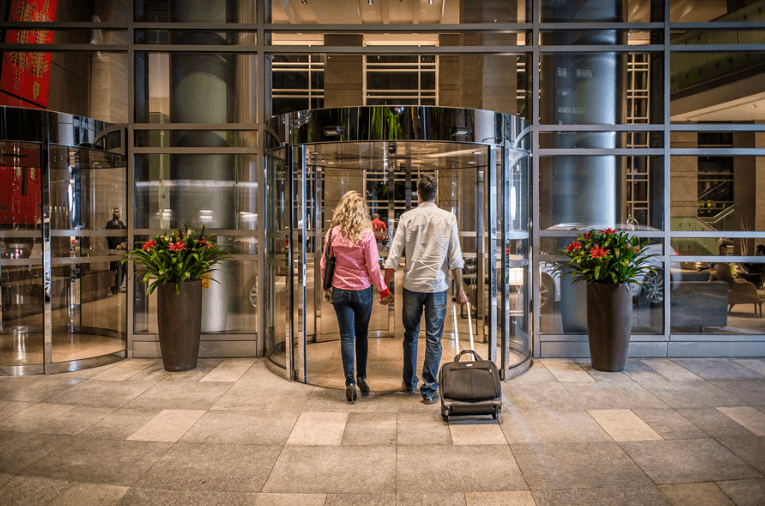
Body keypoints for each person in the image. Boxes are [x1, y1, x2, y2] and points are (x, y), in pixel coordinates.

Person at [384, 174, 468, 405]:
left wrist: (385, 287)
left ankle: (409, 382)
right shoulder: (448, 218)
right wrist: (460, 290)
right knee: (434, 338)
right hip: (438, 286)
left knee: (410, 335)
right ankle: (429, 389)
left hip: (412, 285)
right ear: (435, 194)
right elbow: (455, 258)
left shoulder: (407, 218)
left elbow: (393, 256)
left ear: (418, 194)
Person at [321, 191, 390, 403]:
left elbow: (325, 262)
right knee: (362, 335)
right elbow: (372, 267)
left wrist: (326, 287)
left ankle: (349, 383)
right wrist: (383, 289)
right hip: (362, 291)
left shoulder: (332, 233)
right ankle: (361, 378)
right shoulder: (367, 235)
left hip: (340, 291)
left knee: (345, 337)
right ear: (362, 212)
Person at [106, 208, 126, 294]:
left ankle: (118, 286)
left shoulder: (121, 224)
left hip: (121, 251)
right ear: (113, 213)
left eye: (118, 212)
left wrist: (123, 244)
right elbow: (109, 237)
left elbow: (125, 234)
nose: (117, 213)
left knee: (122, 269)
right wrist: (116, 246)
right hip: (113, 251)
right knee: (113, 269)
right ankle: (113, 287)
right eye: (115, 212)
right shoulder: (110, 224)